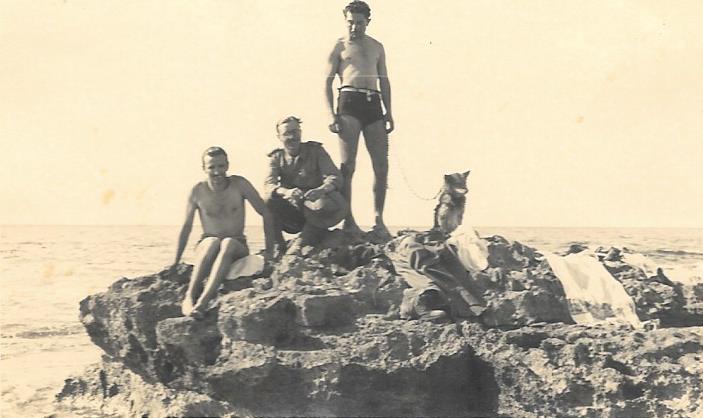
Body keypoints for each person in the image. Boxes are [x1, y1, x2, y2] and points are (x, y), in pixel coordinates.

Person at [171, 146, 275, 319]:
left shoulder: (240, 184)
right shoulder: (197, 191)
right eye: (211, 167)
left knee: (227, 243)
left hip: (236, 246)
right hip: (208, 246)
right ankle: (189, 297)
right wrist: (175, 261)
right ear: (204, 168)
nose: (217, 172)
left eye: (221, 166)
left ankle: (203, 302)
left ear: (227, 165)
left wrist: (270, 250)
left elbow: (266, 213)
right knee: (212, 242)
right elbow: (186, 227)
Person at [324, 0, 394, 239]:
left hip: (373, 103)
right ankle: (348, 219)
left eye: (360, 23)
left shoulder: (377, 47)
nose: (355, 27)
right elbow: (326, 82)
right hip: (349, 101)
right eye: (351, 22)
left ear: (368, 22)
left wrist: (389, 111)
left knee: (381, 165)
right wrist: (331, 114)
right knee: (348, 166)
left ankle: (378, 219)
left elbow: (384, 81)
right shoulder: (339, 46)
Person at [264, 116, 349, 251]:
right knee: (268, 200)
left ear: (300, 132)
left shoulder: (316, 151)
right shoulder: (276, 157)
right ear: (279, 137)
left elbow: (335, 177)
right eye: (287, 133)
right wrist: (286, 192)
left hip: (318, 207)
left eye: (295, 132)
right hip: (294, 213)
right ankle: (278, 245)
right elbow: (269, 185)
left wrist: (321, 190)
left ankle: (305, 239)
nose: (292, 137)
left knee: (322, 204)